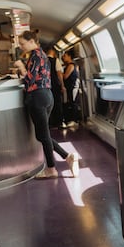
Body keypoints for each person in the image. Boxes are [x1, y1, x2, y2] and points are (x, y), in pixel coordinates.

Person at [14, 30, 78, 179]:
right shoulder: (43, 55)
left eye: (23, 44)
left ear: (31, 42)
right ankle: (67, 157)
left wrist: (21, 67)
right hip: (47, 96)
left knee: (42, 135)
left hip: (37, 97)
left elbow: (30, 79)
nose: (21, 47)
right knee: (43, 135)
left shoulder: (35, 55)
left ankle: (51, 169)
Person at [47, 47, 66, 129]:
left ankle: (49, 123)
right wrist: (62, 85)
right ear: (54, 53)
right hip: (54, 84)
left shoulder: (43, 60)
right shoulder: (56, 60)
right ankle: (58, 122)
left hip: (46, 85)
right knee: (57, 103)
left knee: (48, 104)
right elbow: (59, 74)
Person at [62, 49, 81, 127]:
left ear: (69, 56)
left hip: (73, 87)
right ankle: (72, 119)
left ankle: (74, 120)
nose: (63, 57)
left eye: (65, 56)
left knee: (73, 102)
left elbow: (65, 76)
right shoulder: (72, 65)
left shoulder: (71, 65)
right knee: (72, 102)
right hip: (71, 86)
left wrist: (59, 73)